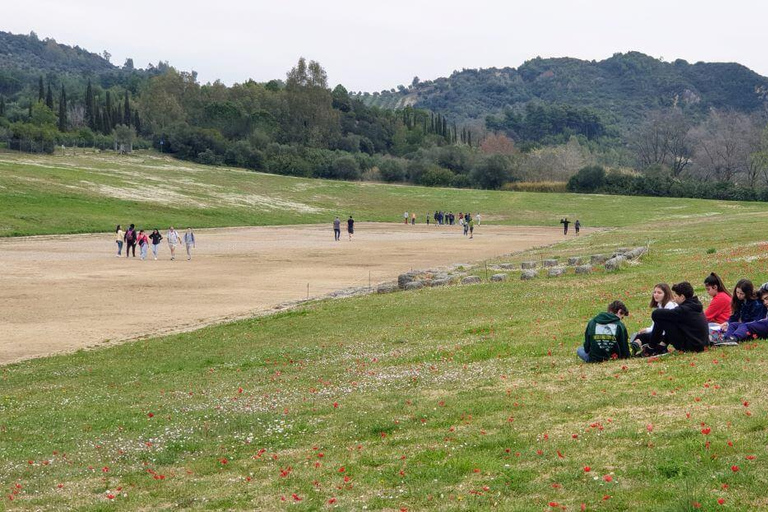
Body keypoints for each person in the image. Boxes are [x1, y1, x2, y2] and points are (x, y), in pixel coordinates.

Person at [645, 281, 709, 354]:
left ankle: (651, 348)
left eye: (675, 296)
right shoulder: (694, 305)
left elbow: (656, 314)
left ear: (682, 297)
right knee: (667, 319)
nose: (674, 299)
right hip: (701, 343)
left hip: (692, 346)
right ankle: (660, 346)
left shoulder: (684, 310)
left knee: (661, 317)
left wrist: (658, 313)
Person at [630, 283, 677, 355]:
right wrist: (646, 329)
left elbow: (665, 326)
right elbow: (655, 326)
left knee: (643, 336)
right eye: (654, 292)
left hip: (667, 335)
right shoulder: (659, 306)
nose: (656, 294)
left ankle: (643, 349)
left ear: (666, 294)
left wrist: (648, 331)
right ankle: (637, 348)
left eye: (659, 293)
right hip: (659, 332)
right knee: (638, 335)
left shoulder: (670, 305)